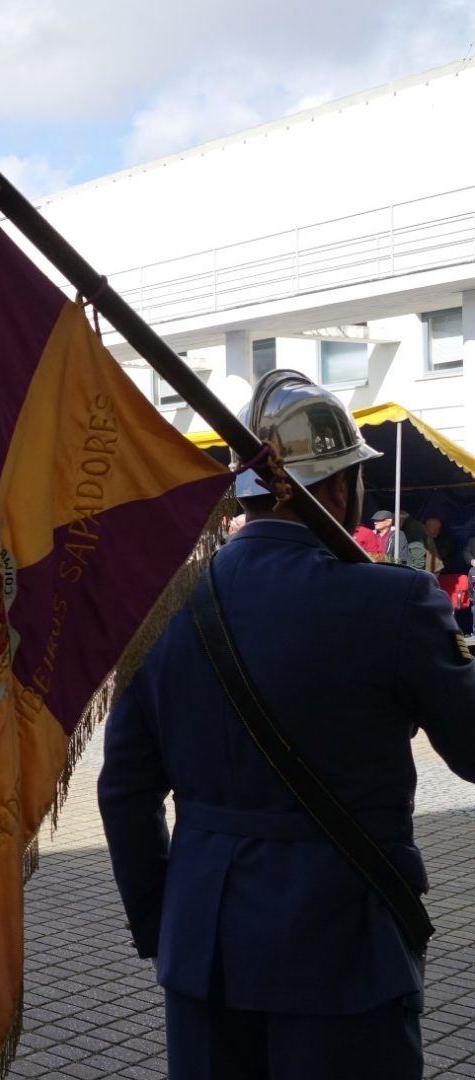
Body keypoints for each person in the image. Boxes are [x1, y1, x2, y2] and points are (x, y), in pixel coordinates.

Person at [98, 371, 475, 1080]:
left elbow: (123, 792)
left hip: (203, 952)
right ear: (337, 490)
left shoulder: (160, 610)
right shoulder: (396, 602)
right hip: (346, 948)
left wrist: (164, 927)